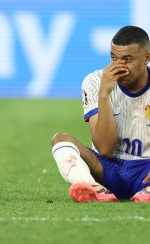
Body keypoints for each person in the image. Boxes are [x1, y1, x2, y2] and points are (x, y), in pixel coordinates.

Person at [52, 26, 150, 203]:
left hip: (147, 169)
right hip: (108, 169)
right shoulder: (95, 81)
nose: (119, 66)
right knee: (61, 139)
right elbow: (105, 149)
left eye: (127, 59)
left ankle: (147, 192)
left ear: (146, 59)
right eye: (114, 58)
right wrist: (104, 95)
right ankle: (93, 189)